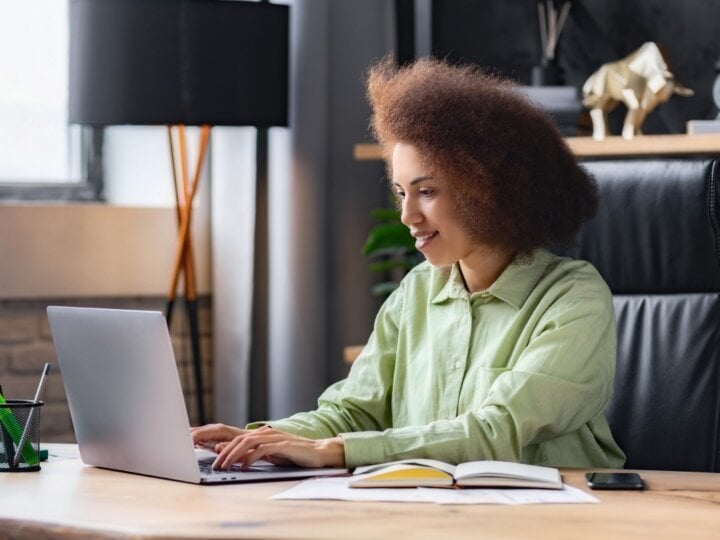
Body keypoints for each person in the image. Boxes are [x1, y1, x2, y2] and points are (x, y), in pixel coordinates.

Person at [192, 57, 626, 471]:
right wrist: (263, 438)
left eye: (428, 191)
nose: (407, 216)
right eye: (401, 192)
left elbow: (496, 430)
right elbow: (353, 412)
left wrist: (336, 451)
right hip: (439, 513)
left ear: (492, 191)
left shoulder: (575, 299)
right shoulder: (418, 290)